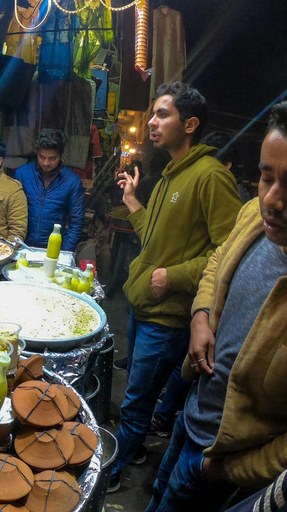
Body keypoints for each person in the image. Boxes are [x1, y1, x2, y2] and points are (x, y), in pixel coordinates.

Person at [146, 100, 287, 512]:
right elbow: (216, 261)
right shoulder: (252, 219)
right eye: (266, 178)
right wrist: (201, 315)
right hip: (190, 414)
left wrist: (229, 469)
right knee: (156, 494)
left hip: (220, 458)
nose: (272, 200)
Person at [108, 81, 242, 492]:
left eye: (163, 114)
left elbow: (231, 252)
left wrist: (175, 276)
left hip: (167, 319)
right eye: (153, 113)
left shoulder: (211, 177)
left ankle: (109, 476)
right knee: (135, 392)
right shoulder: (169, 175)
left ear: (190, 124)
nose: (152, 121)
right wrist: (132, 201)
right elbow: (153, 239)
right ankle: (131, 450)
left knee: (135, 406)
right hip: (143, 306)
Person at [14, 129, 85, 252]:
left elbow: (77, 222)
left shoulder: (72, 181)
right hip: (22, 246)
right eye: (42, 157)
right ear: (37, 154)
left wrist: (64, 251)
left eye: (52, 158)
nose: (46, 163)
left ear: (61, 156)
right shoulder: (22, 174)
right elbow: (11, 212)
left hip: (53, 249)